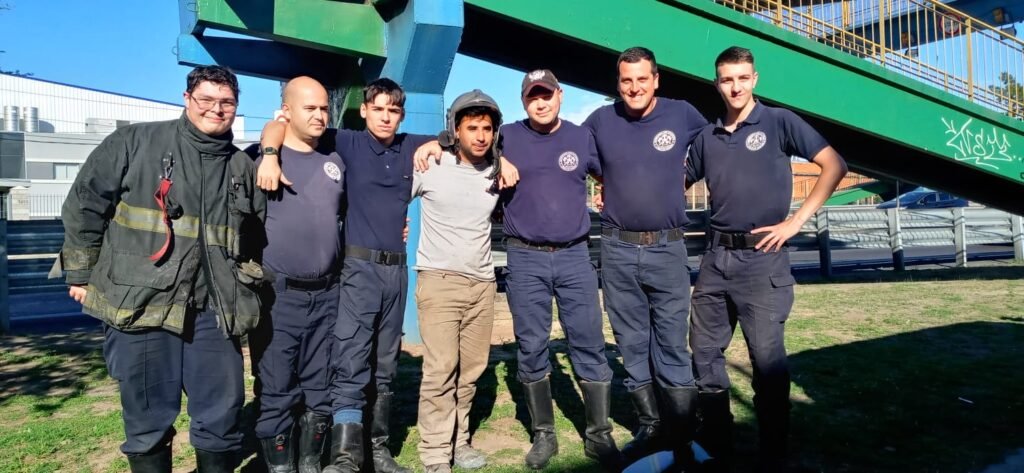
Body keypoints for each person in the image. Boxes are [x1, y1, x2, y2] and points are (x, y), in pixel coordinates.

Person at [57, 65, 266, 472]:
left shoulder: (242, 167)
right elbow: (85, 204)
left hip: (214, 309)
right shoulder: (135, 142)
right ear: (187, 99)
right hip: (142, 305)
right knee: (147, 417)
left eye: (226, 103)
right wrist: (80, 273)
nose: (216, 110)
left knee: (222, 413)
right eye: (206, 100)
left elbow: (256, 236)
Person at [686, 46, 847, 473]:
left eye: (742, 78)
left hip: (763, 259)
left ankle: (773, 452)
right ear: (716, 83)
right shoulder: (708, 136)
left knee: (767, 363)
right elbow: (670, 182)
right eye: (726, 79)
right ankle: (717, 442)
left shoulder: (779, 122)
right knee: (703, 354)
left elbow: (834, 164)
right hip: (715, 258)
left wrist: (795, 222)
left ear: (754, 79)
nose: (734, 86)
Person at [257, 78, 431, 473]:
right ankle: (345, 455)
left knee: (385, 363)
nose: (387, 117)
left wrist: (439, 141)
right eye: (380, 108)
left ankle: (379, 448)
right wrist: (269, 153)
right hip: (356, 267)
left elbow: (455, 134)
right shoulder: (345, 142)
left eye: (394, 110)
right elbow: (284, 124)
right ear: (364, 110)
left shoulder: (409, 145)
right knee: (350, 357)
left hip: (396, 269)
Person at [582, 46, 709, 464]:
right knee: (632, 343)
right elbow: (566, 153)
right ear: (617, 84)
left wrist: (681, 176)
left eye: (642, 79)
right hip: (617, 249)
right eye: (626, 80)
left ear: (656, 79)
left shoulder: (683, 114)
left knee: (672, 343)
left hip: (668, 248)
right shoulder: (602, 121)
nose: (634, 87)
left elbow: (717, 148)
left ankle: (684, 430)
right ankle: (651, 425)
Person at [497, 69, 621, 470]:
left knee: (587, 340)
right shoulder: (507, 136)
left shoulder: (581, 137)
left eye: (546, 94)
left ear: (560, 95)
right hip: (525, 257)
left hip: (574, 256)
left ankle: (599, 434)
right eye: (533, 96)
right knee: (532, 346)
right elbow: (462, 143)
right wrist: (497, 159)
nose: (541, 101)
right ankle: (543, 434)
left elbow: (610, 174)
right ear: (523, 101)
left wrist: (605, 190)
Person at [249, 76, 344, 473]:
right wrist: (270, 151)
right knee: (277, 390)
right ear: (286, 111)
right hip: (279, 298)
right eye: (310, 108)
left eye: (324, 107)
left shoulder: (336, 161)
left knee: (321, 389)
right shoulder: (259, 158)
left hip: (328, 296)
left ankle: (311, 465)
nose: (320, 115)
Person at [411, 89, 503, 473]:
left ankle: (459, 441)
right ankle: (434, 454)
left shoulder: (496, 171)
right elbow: (385, 199)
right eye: (472, 128)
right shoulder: (431, 164)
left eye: (486, 128)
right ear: (456, 130)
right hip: (440, 282)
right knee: (440, 370)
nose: (480, 136)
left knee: (471, 371)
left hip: (483, 284)